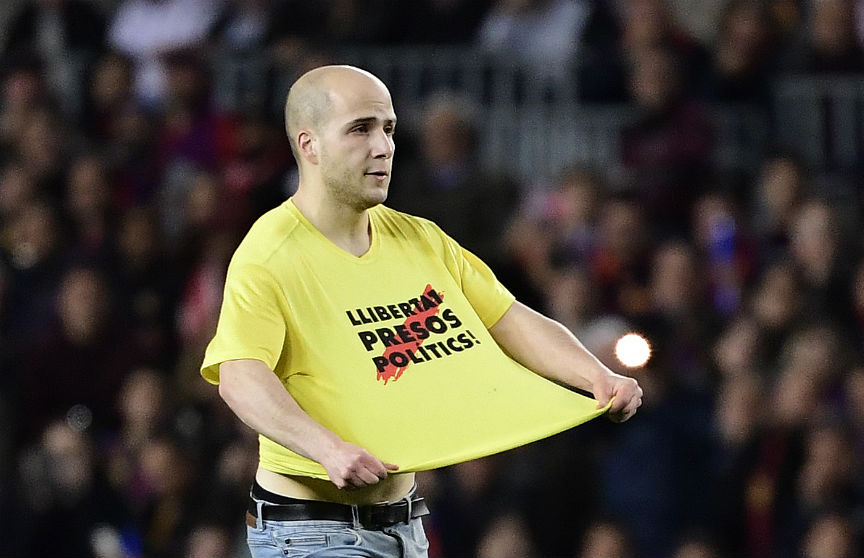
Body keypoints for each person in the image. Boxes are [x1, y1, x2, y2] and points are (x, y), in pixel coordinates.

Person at [200, 65, 642, 558]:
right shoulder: (270, 253)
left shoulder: (419, 239)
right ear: (309, 145)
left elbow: (508, 318)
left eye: (388, 128)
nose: (383, 146)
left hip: (403, 524)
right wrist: (326, 448)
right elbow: (239, 376)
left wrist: (596, 376)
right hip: (311, 531)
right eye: (360, 129)